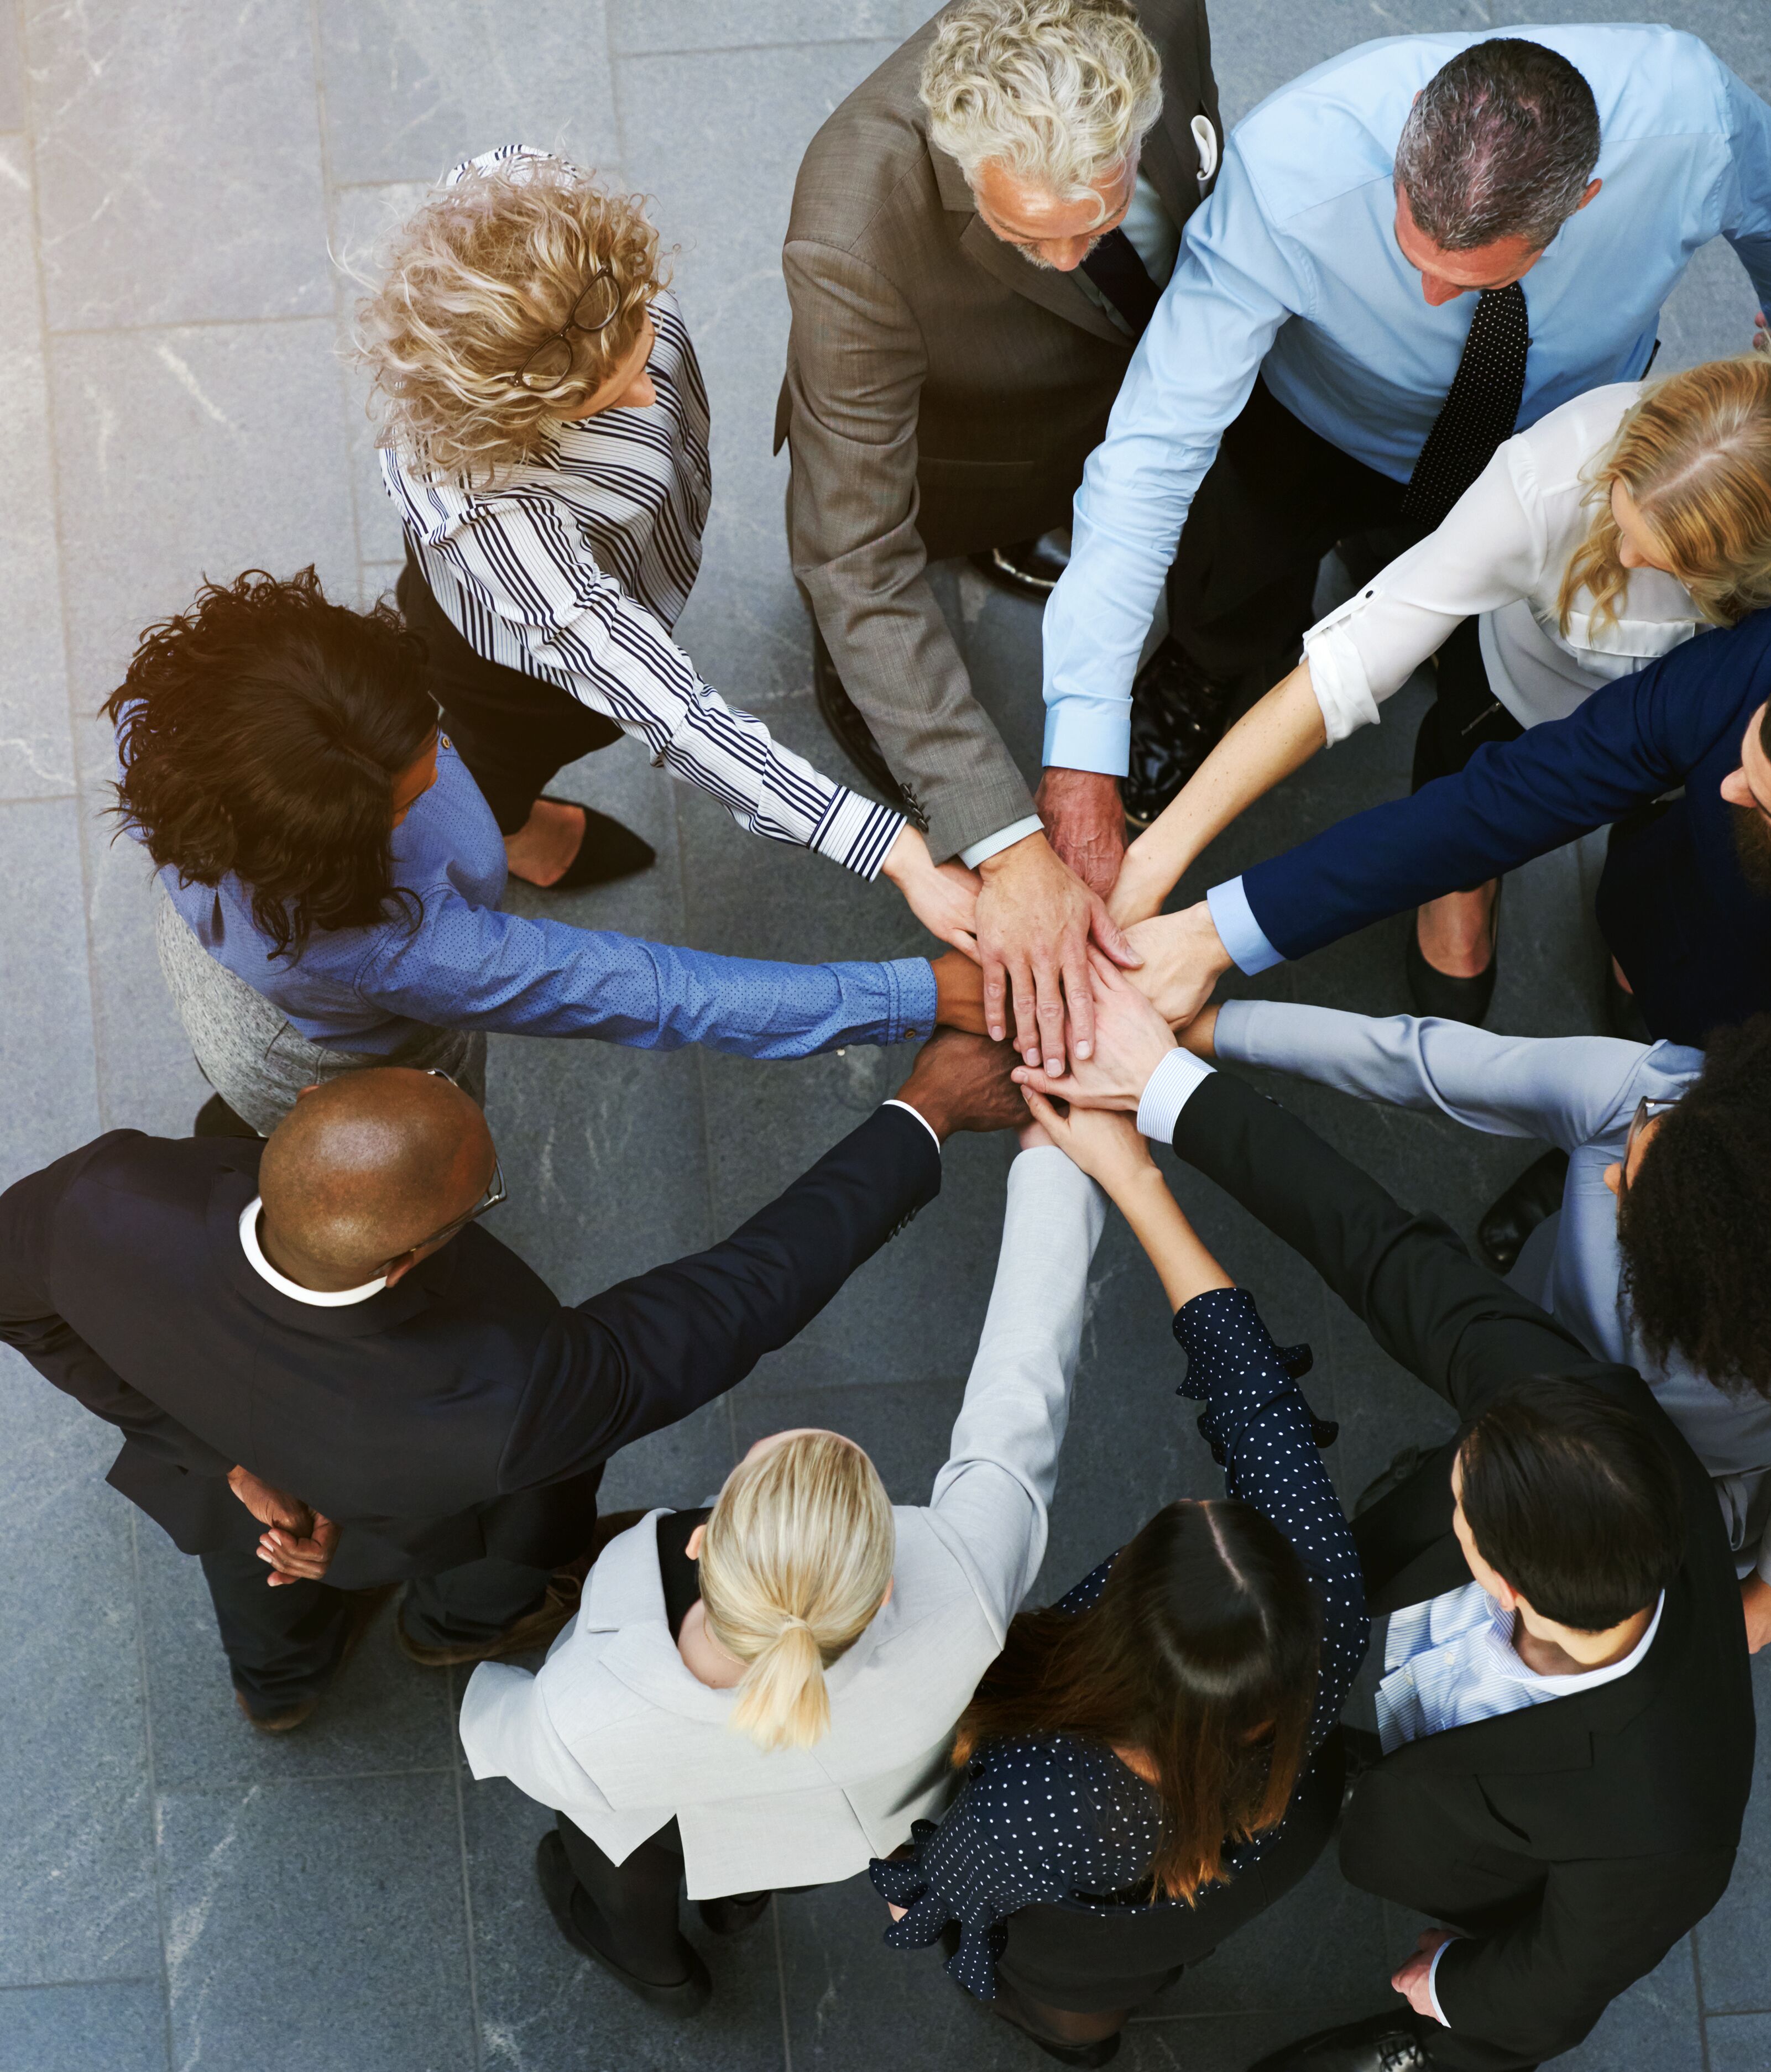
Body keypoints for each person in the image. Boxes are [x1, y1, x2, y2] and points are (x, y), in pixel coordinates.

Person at [1020, 972, 1753, 2072]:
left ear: (1503, 1583)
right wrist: (1164, 1088)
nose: (1436, 1475)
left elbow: (1559, 1979)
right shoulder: (1591, 1417)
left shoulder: (1659, 1825)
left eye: (1453, 1502)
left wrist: (1450, 1985)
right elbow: (1384, 1251)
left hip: (1463, 1878)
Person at [1033, 24, 1771, 931]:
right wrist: (1081, 741)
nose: (1430, 300)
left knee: (1501, 632)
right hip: (1320, 419)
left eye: (1464, 282)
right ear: (1404, 153)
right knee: (1238, 565)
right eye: (1414, 258)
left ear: (1582, 200)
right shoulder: (1288, 170)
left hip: (1558, 438)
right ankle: (1211, 666)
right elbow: (1151, 449)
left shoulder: (1694, 121)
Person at [0, 1034, 1020, 1733]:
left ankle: (281, 1694)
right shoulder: (507, 1393)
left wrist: (213, 1453)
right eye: (483, 1196)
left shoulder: (105, 1195)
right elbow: (739, 1299)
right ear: (405, 1262)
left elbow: (18, 1303)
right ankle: (454, 1634)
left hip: (241, 1511)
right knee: (489, 1570)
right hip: (418, 1528)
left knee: (258, 1593)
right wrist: (924, 1110)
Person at [1109, 353, 1771, 1019]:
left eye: (1664, 563)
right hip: (1534, 715)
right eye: (1621, 526)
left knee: (1688, 876)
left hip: (1754, 756)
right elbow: (1348, 665)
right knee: (1465, 802)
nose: (1620, 555)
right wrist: (1156, 868)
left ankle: (1640, 934)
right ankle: (1462, 892)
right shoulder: (1546, 482)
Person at [1127, 608, 1771, 1242]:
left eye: (1769, 807)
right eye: (1741, 762)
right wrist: (1213, 935)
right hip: (1679, 944)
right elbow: (1503, 802)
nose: (1726, 790)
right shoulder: (1764, 660)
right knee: (1638, 1041)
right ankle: (1608, 1155)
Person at [459, 1112, 1106, 2015]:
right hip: (834, 1827)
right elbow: (1024, 1387)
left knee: (615, 1870)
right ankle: (739, 1906)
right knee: (765, 1856)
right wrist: (1057, 1169)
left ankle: (658, 1970)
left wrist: (481, 1707)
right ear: (880, 1586)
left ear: (696, 1540)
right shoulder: (964, 1584)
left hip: (651, 1802)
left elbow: (519, 1741)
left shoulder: (588, 1710)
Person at [1176, 991, 1771, 1651]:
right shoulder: (1652, 1089)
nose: (1611, 1169)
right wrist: (1205, 1027)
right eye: (1647, 1132)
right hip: (1536, 1334)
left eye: (1640, 1207)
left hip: (1652, 1489)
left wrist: (1743, 1611)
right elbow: (1416, 1060)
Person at [107, 567, 986, 1137]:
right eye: (414, 800)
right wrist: (922, 991)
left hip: (229, 931)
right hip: (324, 1054)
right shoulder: (404, 947)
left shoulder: (175, 728)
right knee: (431, 1149)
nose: (443, 759)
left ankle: (511, 838)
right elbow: (662, 993)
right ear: (335, 850)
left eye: (429, 732)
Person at [355, 145, 973, 951]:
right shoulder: (487, 508)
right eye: (601, 402)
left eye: (644, 343)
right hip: (516, 672)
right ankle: (503, 828)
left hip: (630, 564)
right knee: (505, 753)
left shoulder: (520, 205)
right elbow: (672, 713)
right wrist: (898, 856)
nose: (648, 396)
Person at [871, 1094, 1366, 2068]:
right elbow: (1254, 1401)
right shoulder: (1324, 1598)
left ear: (1126, 1633)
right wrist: (1130, 1173)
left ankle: (1072, 2041)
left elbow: (942, 1889)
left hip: (1085, 1928)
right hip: (1272, 1840)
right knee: (1156, 1962)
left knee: (1067, 2000)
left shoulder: (1047, 1794)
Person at [780, 0, 1221, 930]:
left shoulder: (1161, 11)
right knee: (870, 602)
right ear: (962, 156)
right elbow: (855, 556)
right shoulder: (853, 225)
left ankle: (1014, 529)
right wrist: (998, 829)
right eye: (1027, 238)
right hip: (947, 442)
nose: (1065, 261)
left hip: (1060, 414)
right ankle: (870, 696)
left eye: (1094, 223)